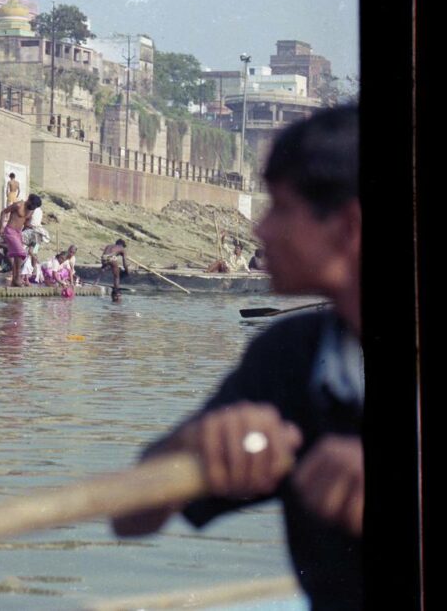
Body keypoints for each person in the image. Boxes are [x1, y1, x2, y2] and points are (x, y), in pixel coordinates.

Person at [112, 106, 362, 609]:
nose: (260, 231)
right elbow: (129, 518)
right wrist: (194, 443)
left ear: (347, 227)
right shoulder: (292, 354)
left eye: (281, 209)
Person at [0, 194, 42, 287]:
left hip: (18, 233)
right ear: (28, 199)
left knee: (20, 256)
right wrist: (1, 227)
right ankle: (18, 278)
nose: (32, 207)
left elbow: (26, 223)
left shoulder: (31, 211)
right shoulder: (18, 205)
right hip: (10, 230)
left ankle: (16, 280)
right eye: (32, 205)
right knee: (22, 253)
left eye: (34, 207)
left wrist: (32, 228)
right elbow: (4, 212)